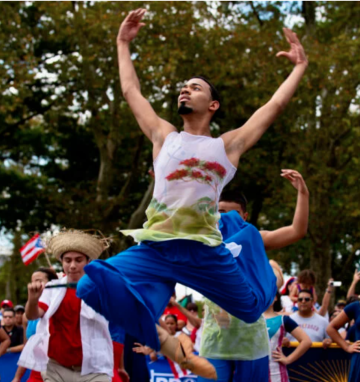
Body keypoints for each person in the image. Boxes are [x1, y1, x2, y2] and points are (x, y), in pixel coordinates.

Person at [76, 10, 307, 380]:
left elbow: (273, 107)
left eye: (195, 87)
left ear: (213, 105)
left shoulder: (226, 146)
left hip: (203, 251)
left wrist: (298, 68)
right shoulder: (163, 136)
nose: (185, 89)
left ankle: (258, 268)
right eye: (184, 86)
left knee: (249, 308)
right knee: (89, 286)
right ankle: (168, 344)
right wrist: (122, 43)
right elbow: (130, 91)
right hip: (157, 248)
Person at [198, 169, 309, 382]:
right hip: (216, 340)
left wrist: (303, 193)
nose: (227, 218)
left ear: (245, 217)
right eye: (220, 211)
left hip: (250, 341)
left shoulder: (255, 238)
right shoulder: (205, 242)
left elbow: (297, 231)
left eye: (234, 214)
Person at [18, 230, 114, 382]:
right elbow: (32, 315)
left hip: (94, 368)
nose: (73, 265)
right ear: (62, 263)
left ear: (88, 262)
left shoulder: (102, 288)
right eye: (68, 260)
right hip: (56, 369)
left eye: (78, 260)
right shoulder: (52, 288)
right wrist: (33, 300)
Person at [12, 268, 59, 382]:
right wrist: (17, 377)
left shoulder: (58, 308)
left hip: (57, 371)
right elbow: (27, 348)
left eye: (39, 280)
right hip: (36, 373)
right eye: (32, 281)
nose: (34, 285)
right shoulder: (26, 316)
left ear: (52, 283)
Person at [264, 292, 311, 382]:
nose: (266, 295)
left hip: (277, 375)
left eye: (270, 292)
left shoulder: (283, 319)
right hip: (254, 372)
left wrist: (288, 359)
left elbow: (306, 341)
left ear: (276, 298)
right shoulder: (251, 319)